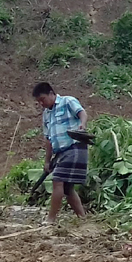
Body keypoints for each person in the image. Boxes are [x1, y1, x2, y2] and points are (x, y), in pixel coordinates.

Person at [33, 82, 89, 223]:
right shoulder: (46, 114)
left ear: (52, 93)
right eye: (38, 101)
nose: (41, 103)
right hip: (61, 152)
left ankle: (50, 220)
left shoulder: (67, 101)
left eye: (43, 99)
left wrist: (83, 124)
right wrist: (47, 160)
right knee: (68, 188)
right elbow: (48, 139)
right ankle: (83, 219)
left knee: (57, 181)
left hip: (75, 147)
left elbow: (82, 112)